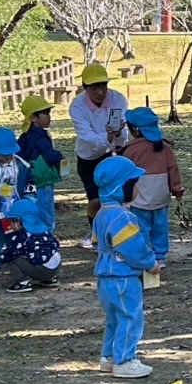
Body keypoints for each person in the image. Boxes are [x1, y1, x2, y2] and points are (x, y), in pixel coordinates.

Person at [92, 156, 161, 378]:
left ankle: (109, 357)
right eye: (134, 183)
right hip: (123, 277)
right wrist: (151, 263)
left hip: (104, 277)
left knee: (114, 319)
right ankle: (124, 361)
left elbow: (96, 241)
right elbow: (134, 249)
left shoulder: (101, 214)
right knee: (131, 317)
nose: (138, 188)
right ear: (122, 187)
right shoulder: (123, 217)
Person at [69, 63, 129, 250]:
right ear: (85, 87)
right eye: (94, 87)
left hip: (115, 152)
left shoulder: (118, 99)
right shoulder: (77, 106)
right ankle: (96, 235)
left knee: (118, 196)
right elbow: (86, 136)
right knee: (95, 199)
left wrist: (118, 134)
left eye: (103, 86)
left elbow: (123, 130)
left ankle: (119, 232)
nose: (100, 92)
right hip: (89, 156)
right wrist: (108, 137)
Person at [118, 106, 184, 270]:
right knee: (161, 227)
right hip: (161, 196)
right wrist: (177, 190)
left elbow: (122, 175)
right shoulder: (165, 148)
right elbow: (173, 170)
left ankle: (146, 258)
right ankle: (160, 257)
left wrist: (121, 197)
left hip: (139, 197)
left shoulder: (129, 150)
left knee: (142, 228)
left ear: (135, 129)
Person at [0, 127, 36, 276]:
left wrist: (28, 203)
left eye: (11, 153)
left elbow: (30, 186)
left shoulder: (22, 165)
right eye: (4, 155)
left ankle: (15, 262)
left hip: (15, 211)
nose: (9, 157)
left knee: (15, 238)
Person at [18, 94, 64, 233]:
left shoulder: (24, 136)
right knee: (46, 209)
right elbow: (50, 156)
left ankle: (32, 233)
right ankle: (46, 235)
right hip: (43, 178)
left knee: (33, 206)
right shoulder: (40, 137)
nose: (49, 117)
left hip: (29, 179)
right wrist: (60, 157)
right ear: (34, 118)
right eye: (46, 114)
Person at [1, 197, 63, 292]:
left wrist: (1, 258)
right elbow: (56, 244)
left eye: (12, 220)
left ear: (19, 221)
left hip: (42, 271)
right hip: (56, 268)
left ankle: (22, 283)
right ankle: (50, 279)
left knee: (12, 257)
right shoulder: (44, 230)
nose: (10, 224)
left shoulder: (21, 236)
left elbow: (10, 253)